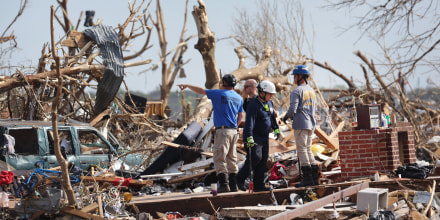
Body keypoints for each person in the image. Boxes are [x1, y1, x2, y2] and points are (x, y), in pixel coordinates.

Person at [177, 74, 243, 193]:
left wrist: (187, 85)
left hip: (223, 131)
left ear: (224, 83)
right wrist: (234, 126)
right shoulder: (239, 97)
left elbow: (201, 90)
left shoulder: (219, 93)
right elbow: (240, 116)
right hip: (234, 131)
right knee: (232, 158)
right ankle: (234, 185)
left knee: (219, 157)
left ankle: (224, 185)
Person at [236, 80, 280, 192]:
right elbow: (249, 123)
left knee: (263, 160)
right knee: (255, 158)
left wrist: (276, 128)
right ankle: (239, 179)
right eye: (270, 94)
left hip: (264, 137)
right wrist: (249, 137)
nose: (271, 96)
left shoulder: (269, 103)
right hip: (254, 137)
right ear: (262, 93)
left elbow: (272, 117)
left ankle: (259, 185)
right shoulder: (253, 105)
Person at [282, 65, 318, 187]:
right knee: (308, 149)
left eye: (295, 76)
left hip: (301, 123)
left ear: (300, 76)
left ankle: (307, 180)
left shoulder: (297, 91)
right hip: (311, 124)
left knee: (302, 150)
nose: (294, 78)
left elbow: (293, 108)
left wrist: (286, 117)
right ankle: (314, 179)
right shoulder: (312, 91)